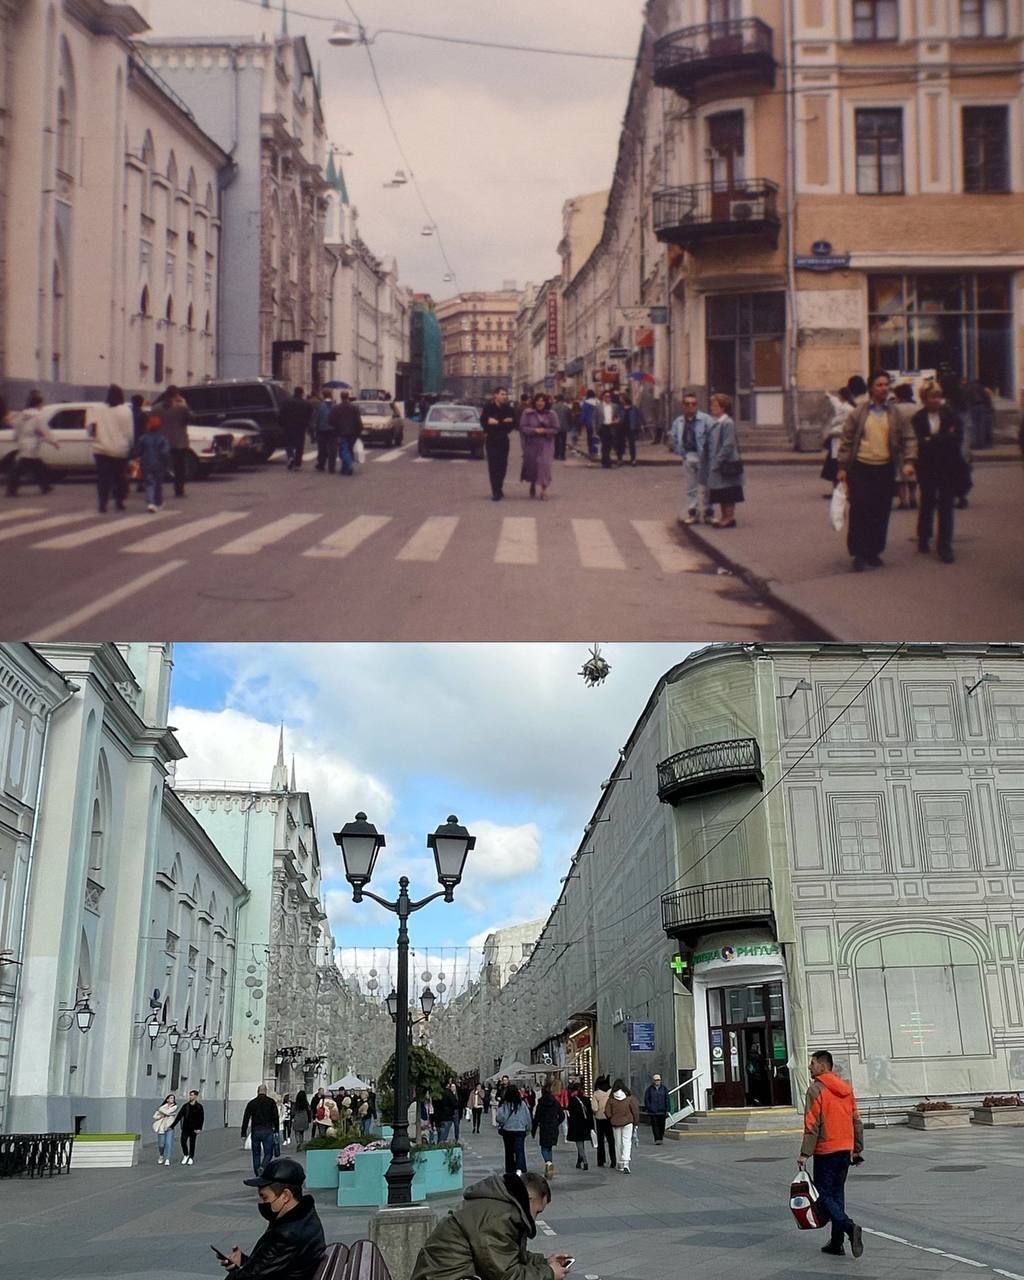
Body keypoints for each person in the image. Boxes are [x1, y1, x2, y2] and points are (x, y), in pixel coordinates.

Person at [410, 1170, 570, 1280]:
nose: (535, 1219)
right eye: (538, 1211)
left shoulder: (500, 1206)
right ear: (528, 1199)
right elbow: (506, 1275)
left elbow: (506, 1255)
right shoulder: (498, 1217)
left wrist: (544, 1262)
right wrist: (548, 1274)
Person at [836, 369, 917, 572]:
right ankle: (858, 553)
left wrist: (909, 461)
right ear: (871, 388)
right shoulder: (859, 413)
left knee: (880, 511)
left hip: (885, 468)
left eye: (886, 384)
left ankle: (874, 551)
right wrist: (842, 468)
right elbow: (846, 441)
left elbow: (909, 437)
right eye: (879, 385)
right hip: (861, 468)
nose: (883, 388)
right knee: (860, 510)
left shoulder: (895, 413)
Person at [798, 1050, 865, 1259]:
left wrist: (804, 1153)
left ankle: (848, 1226)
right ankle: (836, 1243)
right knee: (837, 1194)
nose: (810, 1067)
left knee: (823, 1193)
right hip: (845, 1149)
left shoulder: (815, 1090)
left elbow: (812, 1124)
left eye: (812, 1063)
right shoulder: (846, 1089)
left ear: (823, 1066)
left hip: (826, 1150)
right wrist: (857, 1148)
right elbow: (857, 1120)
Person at [219, 1155, 326, 1278]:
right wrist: (244, 1261)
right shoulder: (305, 1217)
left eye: (265, 1197)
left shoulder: (285, 1236)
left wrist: (236, 1272)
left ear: (285, 1196)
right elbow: (270, 1265)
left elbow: (248, 1276)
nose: (262, 1203)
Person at [912, 382, 964, 564]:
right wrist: (942, 438)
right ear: (924, 399)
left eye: (939, 396)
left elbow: (957, 438)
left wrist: (932, 439)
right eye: (932, 396)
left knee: (946, 506)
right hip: (927, 468)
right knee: (927, 502)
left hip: (947, 467)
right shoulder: (918, 418)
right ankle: (924, 537)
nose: (937, 400)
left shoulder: (950, 415)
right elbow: (920, 442)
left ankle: (945, 545)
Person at [702, 392, 745, 527]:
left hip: (726, 463)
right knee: (721, 491)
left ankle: (729, 518)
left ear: (723, 408)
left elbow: (728, 444)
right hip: (718, 463)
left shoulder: (727, 423)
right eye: (712, 405)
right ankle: (724, 517)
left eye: (715, 405)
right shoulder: (716, 422)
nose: (712, 408)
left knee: (729, 492)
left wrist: (717, 460)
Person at [670, 392, 714, 524]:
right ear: (683, 406)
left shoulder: (706, 419)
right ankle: (693, 511)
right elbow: (674, 438)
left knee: (706, 486)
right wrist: (681, 453)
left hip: (703, 457)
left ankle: (708, 512)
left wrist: (709, 455)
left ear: (697, 405)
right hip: (688, 456)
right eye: (687, 404)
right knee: (691, 486)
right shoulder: (679, 421)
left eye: (693, 404)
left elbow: (712, 438)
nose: (691, 406)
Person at [90, 385, 134, 514]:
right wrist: (130, 445)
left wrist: (96, 439)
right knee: (120, 477)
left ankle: (102, 504)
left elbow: (91, 429)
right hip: (120, 451)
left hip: (101, 450)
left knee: (103, 478)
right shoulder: (126, 411)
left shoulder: (97, 409)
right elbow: (129, 433)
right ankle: (119, 502)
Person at [5, 391, 57, 497]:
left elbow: (16, 428)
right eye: (42, 404)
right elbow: (44, 430)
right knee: (20, 468)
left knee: (36, 466)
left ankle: (45, 486)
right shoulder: (38, 416)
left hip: (23, 442)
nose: (42, 406)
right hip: (32, 444)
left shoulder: (21, 415)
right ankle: (11, 490)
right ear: (38, 404)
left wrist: (17, 439)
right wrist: (53, 441)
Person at [152, 385, 191, 498]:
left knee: (160, 466)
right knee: (179, 467)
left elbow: (151, 425)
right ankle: (179, 489)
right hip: (179, 441)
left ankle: (156, 488)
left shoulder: (156, 408)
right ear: (177, 394)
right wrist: (184, 403)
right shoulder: (181, 407)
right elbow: (191, 418)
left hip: (161, 440)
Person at [519, 392, 559, 500]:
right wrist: (534, 430)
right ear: (534, 402)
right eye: (538, 400)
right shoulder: (527, 413)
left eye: (542, 401)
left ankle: (544, 490)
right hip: (532, 443)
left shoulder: (552, 414)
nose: (540, 403)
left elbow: (556, 429)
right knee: (533, 465)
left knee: (545, 465)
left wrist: (545, 431)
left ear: (546, 402)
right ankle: (532, 484)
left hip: (546, 443)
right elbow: (522, 428)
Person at [480, 386, 517, 501]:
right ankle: (495, 491)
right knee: (493, 466)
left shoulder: (509, 409)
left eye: (505, 394)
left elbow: (511, 426)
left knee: (502, 466)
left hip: (503, 440)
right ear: (495, 395)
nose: (504, 396)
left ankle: (500, 487)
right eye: (502, 394)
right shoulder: (488, 408)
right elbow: (484, 423)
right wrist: (501, 423)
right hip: (491, 440)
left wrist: (497, 423)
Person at [241, 1084, 280, 1178]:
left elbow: (246, 1118)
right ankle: (263, 1166)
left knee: (256, 1153)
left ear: (257, 1091)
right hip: (267, 1130)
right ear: (266, 1091)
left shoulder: (252, 1103)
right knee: (268, 1152)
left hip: (256, 1130)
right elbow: (276, 1117)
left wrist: (243, 1132)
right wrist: (277, 1129)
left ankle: (257, 1172)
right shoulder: (271, 1102)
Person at [135, 410, 171, 512]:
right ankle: (158, 502)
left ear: (148, 426)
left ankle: (150, 502)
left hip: (146, 464)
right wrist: (165, 463)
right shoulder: (163, 439)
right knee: (158, 484)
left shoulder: (144, 438)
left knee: (149, 483)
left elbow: (138, 450)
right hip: (159, 465)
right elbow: (165, 452)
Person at [891, 383, 919, 510]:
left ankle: (903, 500)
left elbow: (892, 427)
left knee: (900, 473)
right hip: (916, 441)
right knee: (913, 471)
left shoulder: (895, 409)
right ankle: (913, 497)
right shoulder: (918, 408)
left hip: (900, 442)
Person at [605, 1078, 639, 1175]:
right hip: (628, 1122)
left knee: (618, 1143)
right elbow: (635, 1111)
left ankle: (619, 1162)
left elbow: (607, 1111)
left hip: (615, 1123)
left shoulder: (611, 1099)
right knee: (627, 1142)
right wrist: (636, 1123)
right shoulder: (629, 1098)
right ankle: (626, 1163)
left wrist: (611, 1118)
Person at [496, 1082, 531, 1175]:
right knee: (520, 1150)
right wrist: (528, 1128)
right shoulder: (522, 1104)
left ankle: (510, 1169)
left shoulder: (504, 1104)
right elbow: (528, 1117)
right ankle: (520, 1168)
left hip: (508, 1130)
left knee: (509, 1151)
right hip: (520, 1130)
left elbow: (499, 1117)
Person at [531, 1082, 564, 1180]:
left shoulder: (541, 1103)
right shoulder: (555, 1102)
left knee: (544, 1148)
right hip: (553, 1127)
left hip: (544, 1127)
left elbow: (537, 1117)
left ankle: (548, 1163)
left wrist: (533, 1129)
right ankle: (549, 1167)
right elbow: (562, 1116)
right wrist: (556, 1123)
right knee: (549, 1147)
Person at [330, 390, 363, 476]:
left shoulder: (336, 408)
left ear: (341, 397)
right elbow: (358, 422)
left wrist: (336, 429)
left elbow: (331, 421)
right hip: (352, 433)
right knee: (348, 450)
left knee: (344, 450)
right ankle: (344, 468)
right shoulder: (354, 408)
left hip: (341, 432)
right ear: (348, 397)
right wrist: (358, 433)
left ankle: (349, 466)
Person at [280, 386, 313, 470]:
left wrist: (283, 424)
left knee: (289, 443)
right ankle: (297, 464)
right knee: (299, 445)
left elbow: (281, 414)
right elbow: (309, 416)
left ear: (294, 392)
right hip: (301, 427)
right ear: (302, 393)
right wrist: (307, 425)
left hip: (289, 426)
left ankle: (290, 456)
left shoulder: (286, 402)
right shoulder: (306, 403)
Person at [566, 1081, 594, 1170]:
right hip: (586, 1125)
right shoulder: (587, 1100)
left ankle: (585, 1162)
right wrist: (592, 1126)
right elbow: (590, 1113)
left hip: (577, 1126)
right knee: (581, 1143)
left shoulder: (572, 1101)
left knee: (579, 1144)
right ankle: (579, 1161)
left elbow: (570, 1114)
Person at [172, 1089, 205, 1165]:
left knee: (192, 1143)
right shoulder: (185, 1106)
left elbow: (201, 1118)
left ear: (196, 1096)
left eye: (192, 1095)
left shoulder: (199, 1107)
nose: (190, 1096)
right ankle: (186, 1154)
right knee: (183, 1141)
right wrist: (172, 1126)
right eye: (190, 1095)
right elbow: (179, 1116)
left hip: (194, 1128)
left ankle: (191, 1157)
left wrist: (199, 1128)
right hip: (185, 1127)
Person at [596, 389, 623, 468]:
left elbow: (619, 416)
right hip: (603, 427)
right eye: (606, 396)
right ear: (603, 397)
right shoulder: (598, 406)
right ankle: (606, 461)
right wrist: (595, 430)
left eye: (609, 396)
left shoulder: (614, 406)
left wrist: (617, 420)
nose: (608, 398)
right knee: (604, 444)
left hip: (611, 426)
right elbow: (595, 418)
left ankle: (606, 460)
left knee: (609, 444)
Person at [592, 1075, 614, 1169]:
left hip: (600, 1119)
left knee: (600, 1141)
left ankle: (601, 1160)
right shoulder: (611, 1092)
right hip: (610, 1119)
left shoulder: (596, 1094)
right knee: (611, 1140)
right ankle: (613, 1160)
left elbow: (594, 1108)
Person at [643, 1074, 669, 1145]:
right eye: (656, 1080)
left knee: (662, 1125)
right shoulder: (649, 1089)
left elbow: (667, 1099)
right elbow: (646, 1099)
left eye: (658, 1080)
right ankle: (657, 1139)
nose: (657, 1082)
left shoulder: (664, 1089)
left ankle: (661, 1137)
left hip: (662, 1111)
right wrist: (649, 1107)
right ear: (653, 1081)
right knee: (655, 1126)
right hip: (653, 1112)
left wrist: (667, 1109)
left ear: (660, 1080)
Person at [314, 392, 337, 471]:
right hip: (333, 430)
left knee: (322, 448)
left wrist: (316, 430)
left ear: (323, 396)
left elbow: (317, 419)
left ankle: (321, 465)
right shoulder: (335, 406)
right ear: (331, 395)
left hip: (322, 429)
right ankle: (331, 467)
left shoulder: (320, 406)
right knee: (332, 449)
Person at [152, 1093, 177, 1165]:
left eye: (173, 1098)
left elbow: (168, 1112)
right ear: (167, 1099)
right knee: (161, 1144)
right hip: (161, 1128)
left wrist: (163, 1113)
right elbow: (155, 1116)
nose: (172, 1099)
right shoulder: (162, 1107)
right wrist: (162, 1115)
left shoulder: (174, 1107)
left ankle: (167, 1159)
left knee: (168, 1143)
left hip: (169, 1127)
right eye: (171, 1098)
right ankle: (161, 1155)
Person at [621, 392, 644, 465]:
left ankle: (633, 459)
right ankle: (620, 458)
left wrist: (640, 425)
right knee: (621, 443)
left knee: (631, 444)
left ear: (625, 399)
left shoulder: (633, 408)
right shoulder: (620, 408)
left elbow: (638, 417)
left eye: (621, 398)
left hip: (631, 427)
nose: (620, 400)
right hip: (622, 427)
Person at [552, 393, 572, 461]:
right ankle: (562, 455)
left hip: (555, 426)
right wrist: (569, 425)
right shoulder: (566, 407)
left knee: (556, 441)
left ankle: (556, 454)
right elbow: (569, 417)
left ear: (557, 399)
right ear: (563, 400)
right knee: (563, 441)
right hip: (564, 426)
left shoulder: (553, 407)